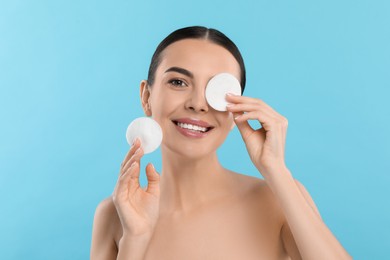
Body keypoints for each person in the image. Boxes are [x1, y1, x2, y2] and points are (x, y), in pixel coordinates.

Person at [90, 26, 352, 260]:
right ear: (146, 97)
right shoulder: (114, 215)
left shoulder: (277, 199)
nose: (198, 103)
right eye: (178, 82)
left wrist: (277, 171)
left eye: (217, 90)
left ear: (236, 106)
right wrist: (135, 240)